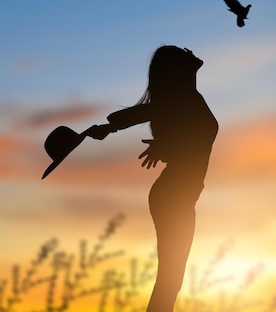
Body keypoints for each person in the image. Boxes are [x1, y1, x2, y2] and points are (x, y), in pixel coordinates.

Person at [85, 45, 219, 311]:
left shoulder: (185, 101)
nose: (193, 61)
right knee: (170, 279)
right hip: (173, 198)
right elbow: (140, 116)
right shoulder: (180, 102)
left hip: (177, 197)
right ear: (177, 72)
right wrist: (110, 128)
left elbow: (189, 135)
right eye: (185, 61)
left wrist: (165, 145)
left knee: (171, 280)